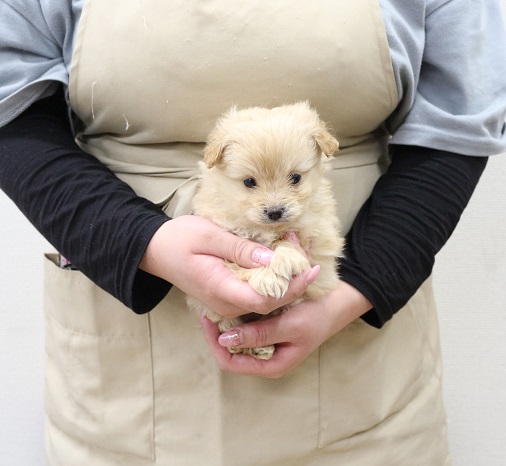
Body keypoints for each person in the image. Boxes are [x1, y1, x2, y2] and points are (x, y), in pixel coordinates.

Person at [1, 0, 505, 464]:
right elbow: (12, 107)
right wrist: (138, 240)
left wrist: (355, 290)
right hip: (130, 379)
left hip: (357, 357)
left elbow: (458, 123)